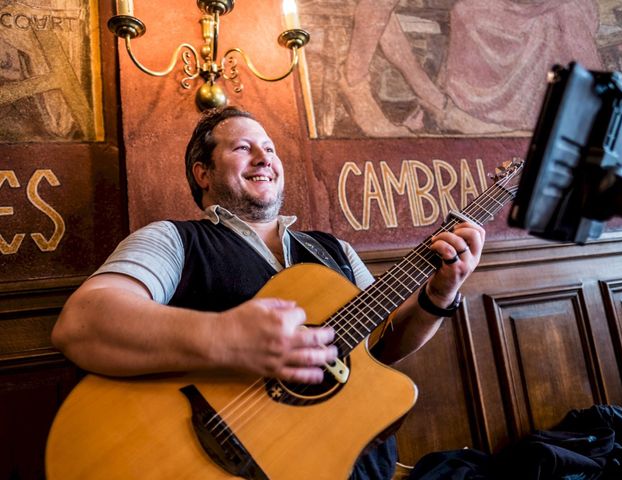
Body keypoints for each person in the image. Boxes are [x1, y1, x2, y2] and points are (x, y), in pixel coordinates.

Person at [51, 106, 486, 479]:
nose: (264, 158)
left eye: (270, 148)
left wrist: (438, 294)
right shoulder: (172, 239)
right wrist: (226, 338)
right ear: (202, 173)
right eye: (243, 148)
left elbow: (379, 349)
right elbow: (83, 322)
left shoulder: (336, 250)